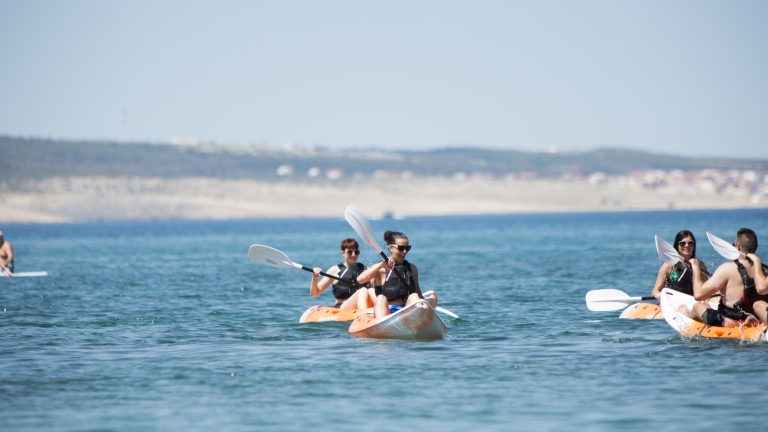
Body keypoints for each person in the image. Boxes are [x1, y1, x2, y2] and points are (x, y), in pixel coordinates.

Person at [680, 228, 760, 327]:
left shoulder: (727, 268)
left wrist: (696, 268)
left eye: (734, 244)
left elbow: (698, 295)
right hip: (753, 321)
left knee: (698, 307)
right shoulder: (762, 272)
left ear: (738, 247)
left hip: (729, 323)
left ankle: (685, 315)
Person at [356, 230, 436, 318]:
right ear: (391, 248)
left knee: (414, 296)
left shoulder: (412, 268)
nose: (405, 251)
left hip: (406, 311)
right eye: (401, 248)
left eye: (407, 248)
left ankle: (419, 321)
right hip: (385, 312)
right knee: (381, 298)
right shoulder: (381, 269)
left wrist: (426, 306)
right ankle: (381, 327)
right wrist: (380, 265)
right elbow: (360, 280)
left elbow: (418, 293)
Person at [310, 238, 373, 310]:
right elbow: (314, 293)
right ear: (343, 253)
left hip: (361, 306)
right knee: (363, 290)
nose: (353, 254)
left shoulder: (366, 270)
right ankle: (364, 314)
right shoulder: (334, 270)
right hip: (342, 307)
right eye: (349, 252)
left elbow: (375, 290)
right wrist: (315, 277)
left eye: (356, 252)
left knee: (370, 291)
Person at [652, 230, 708, 299]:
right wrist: (658, 294)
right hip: (672, 302)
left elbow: (706, 289)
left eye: (690, 243)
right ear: (677, 245)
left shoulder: (700, 265)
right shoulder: (668, 265)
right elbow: (655, 290)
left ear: (693, 246)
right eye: (682, 243)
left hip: (692, 303)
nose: (686, 245)